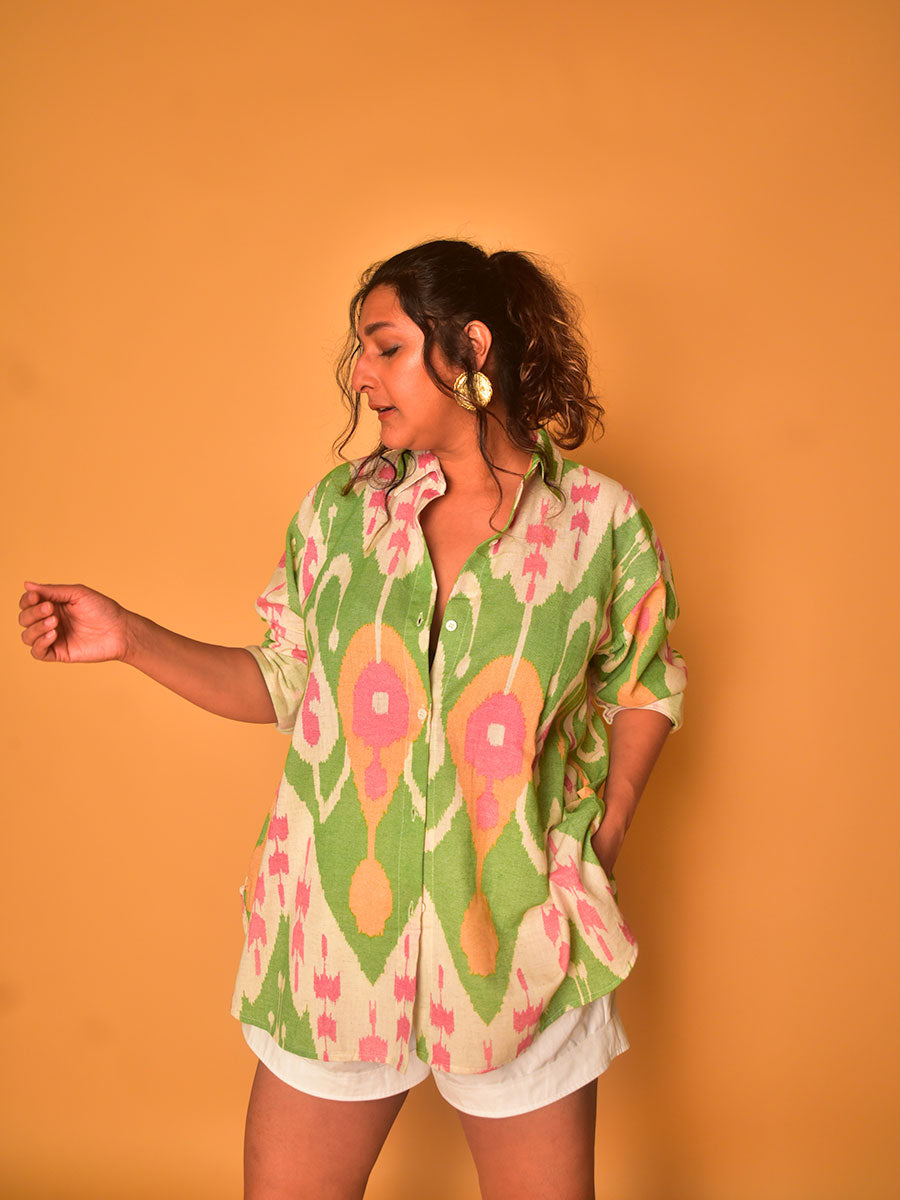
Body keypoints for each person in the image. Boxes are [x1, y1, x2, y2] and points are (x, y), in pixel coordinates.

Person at [19, 238, 687, 1200]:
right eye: (361, 351)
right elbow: (282, 681)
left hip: (517, 941)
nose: (361, 375)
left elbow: (645, 680)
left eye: (386, 346)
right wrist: (128, 637)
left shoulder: (597, 524)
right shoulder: (342, 514)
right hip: (336, 943)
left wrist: (609, 827)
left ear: (470, 347)